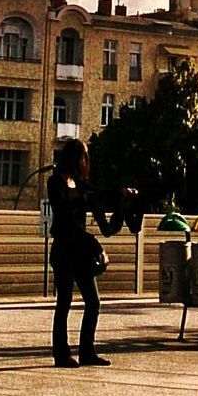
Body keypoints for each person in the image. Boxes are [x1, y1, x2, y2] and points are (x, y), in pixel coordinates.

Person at [47, 138, 133, 368]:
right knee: (63, 303)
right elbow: (63, 215)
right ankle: (61, 354)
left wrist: (121, 198)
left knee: (93, 302)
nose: (85, 162)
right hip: (65, 250)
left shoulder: (80, 185)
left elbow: (102, 195)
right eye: (83, 156)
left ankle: (87, 351)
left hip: (79, 252)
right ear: (74, 159)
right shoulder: (56, 182)